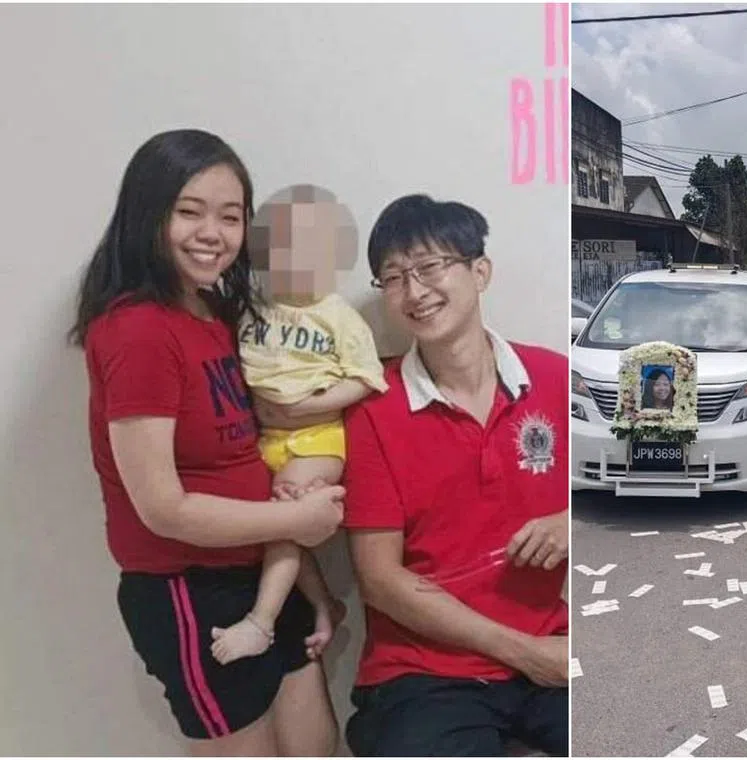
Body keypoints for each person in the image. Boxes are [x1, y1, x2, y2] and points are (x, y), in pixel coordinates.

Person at [72, 129, 345, 756]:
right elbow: (162, 508)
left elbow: (246, 460)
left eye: (230, 216)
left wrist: (314, 589)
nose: (212, 233)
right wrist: (298, 517)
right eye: (188, 211)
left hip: (263, 578)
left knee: (316, 747)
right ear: (148, 213)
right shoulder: (137, 331)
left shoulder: (216, 316)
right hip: (188, 589)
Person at [339, 194, 569, 757]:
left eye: (430, 266)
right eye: (393, 277)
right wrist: (522, 652)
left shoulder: (554, 377)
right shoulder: (373, 409)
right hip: (424, 672)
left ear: (479, 271)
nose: (414, 291)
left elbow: (620, 492)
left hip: (554, 645)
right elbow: (381, 579)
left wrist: (572, 520)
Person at [209, 184, 389, 665]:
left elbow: (367, 379)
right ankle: (324, 604)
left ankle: (261, 623)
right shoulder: (254, 307)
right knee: (275, 525)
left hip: (318, 441)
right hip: (262, 439)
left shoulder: (339, 316)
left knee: (281, 520)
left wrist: (310, 407)